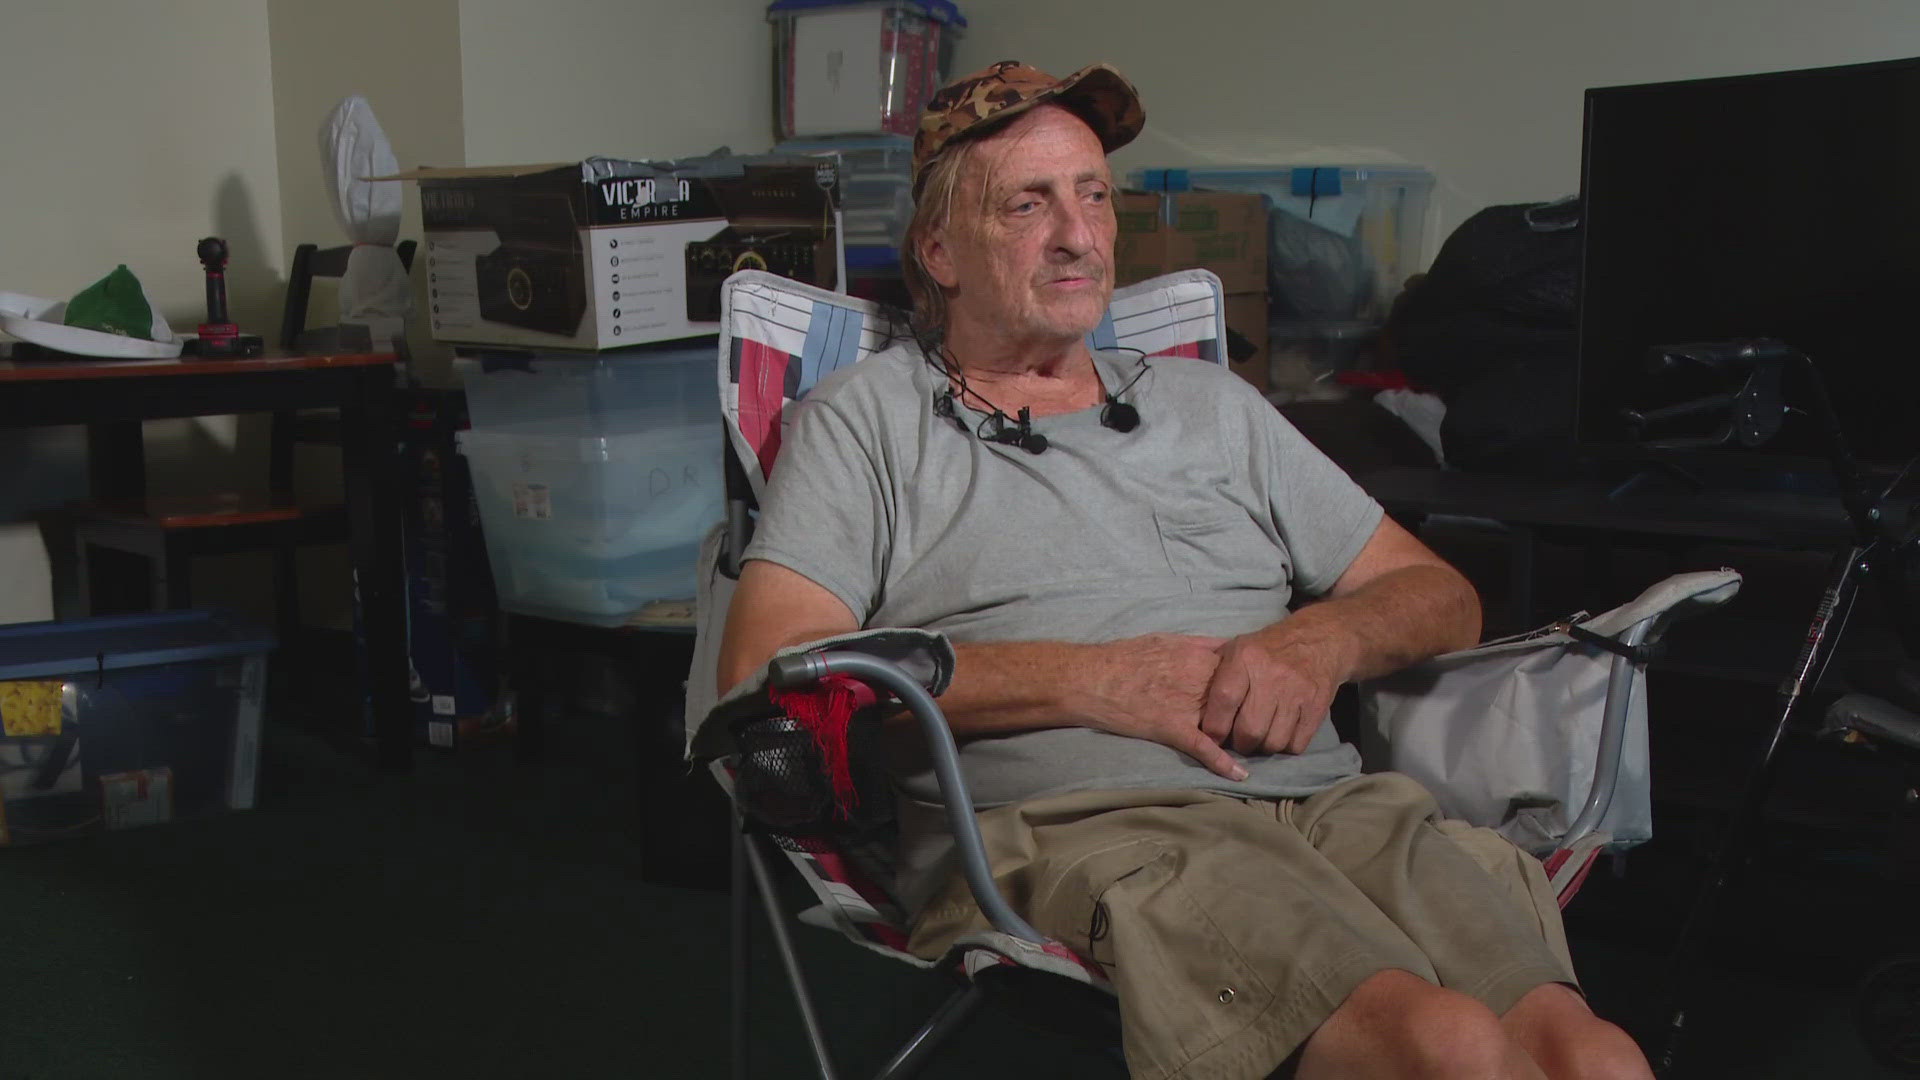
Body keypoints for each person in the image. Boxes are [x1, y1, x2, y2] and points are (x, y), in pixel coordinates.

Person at [717, 59, 1652, 1080]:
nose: (1078, 235)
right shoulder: (867, 424)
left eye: (1092, 196)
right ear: (940, 250)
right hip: (1089, 825)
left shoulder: (1215, 408)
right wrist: (1092, 679)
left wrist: (1318, 640)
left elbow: (1442, 597)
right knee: (1443, 1045)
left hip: (1337, 810)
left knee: (1587, 1055)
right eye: (1028, 204)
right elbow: (773, 673)